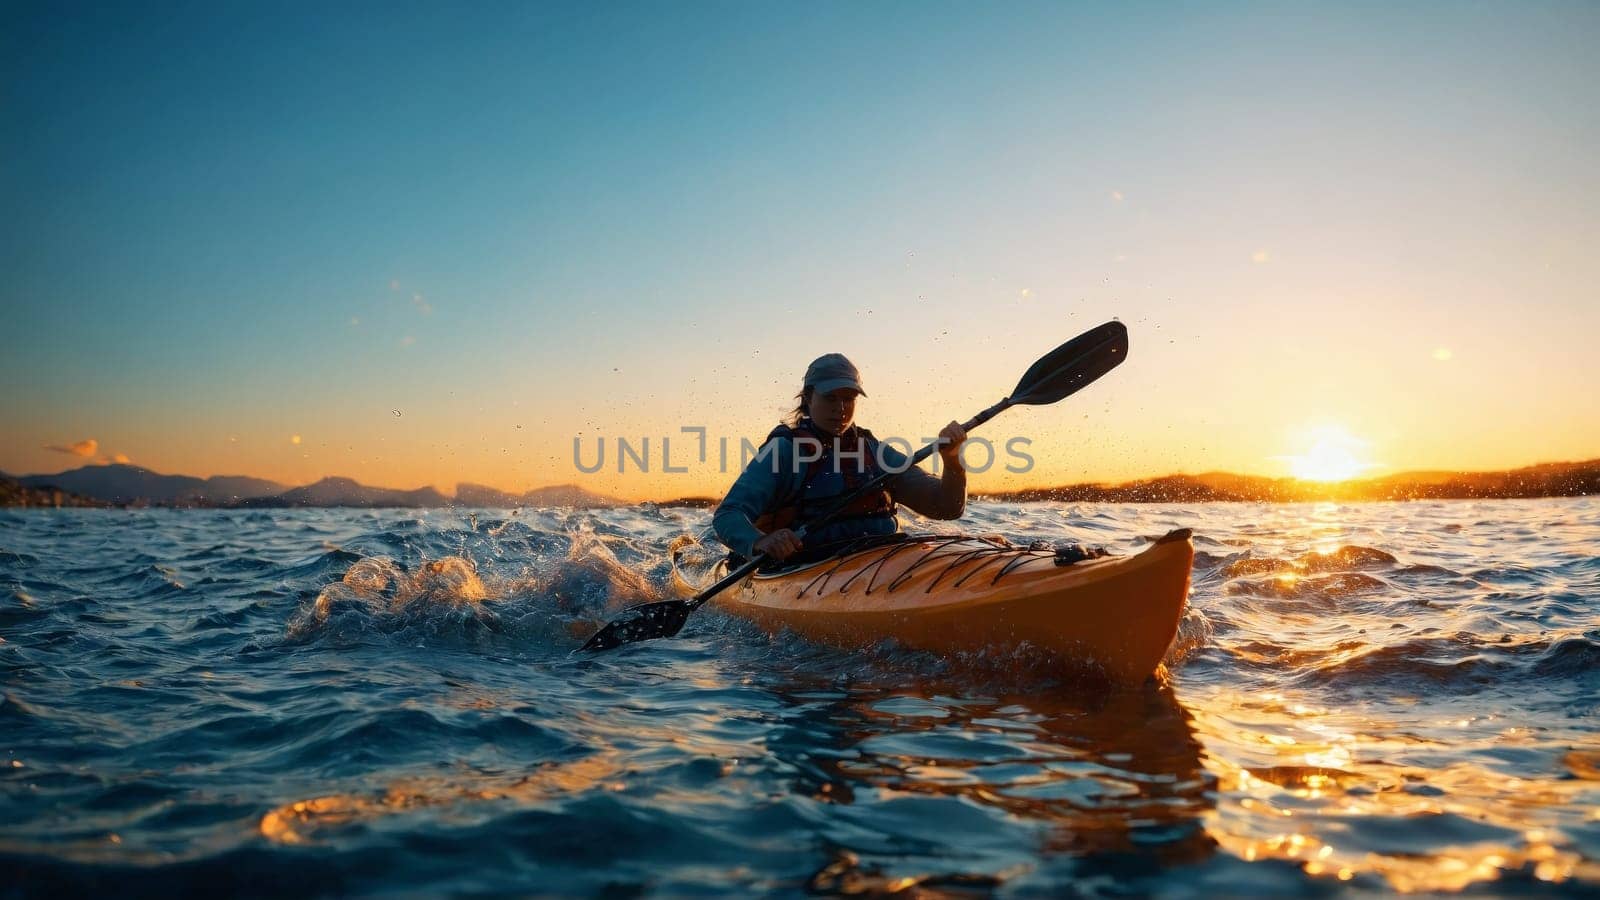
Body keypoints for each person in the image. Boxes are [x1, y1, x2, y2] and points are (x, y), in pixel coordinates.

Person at [713, 353, 967, 563]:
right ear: (808, 398)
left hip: (877, 563)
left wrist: (953, 462)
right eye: (830, 398)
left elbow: (946, 508)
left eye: (848, 398)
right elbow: (728, 514)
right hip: (804, 568)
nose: (841, 408)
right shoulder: (783, 452)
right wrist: (760, 541)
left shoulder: (876, 452)